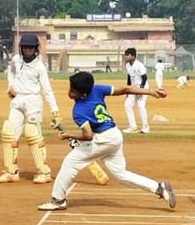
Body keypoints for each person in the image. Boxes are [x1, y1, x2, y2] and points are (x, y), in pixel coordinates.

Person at [37, 71, 176, 211]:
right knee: (120, 175)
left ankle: (58, 200)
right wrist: (151, 92)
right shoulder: (97, 89)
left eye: (73, 90)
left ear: (83, 94)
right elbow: (126, 89)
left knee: (70, 162)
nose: (70, 92)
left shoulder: (78, 110)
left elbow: (88, 136)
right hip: (115, 135)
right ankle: (158, 188)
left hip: (103, 139)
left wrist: (70, 136)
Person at [0, 33, 62, 184]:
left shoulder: (39, 66)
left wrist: (55, 111)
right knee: (9, 134)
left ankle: (43, 172)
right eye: (25, 47)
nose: (28, 50)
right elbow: (10, 73)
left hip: (33, 101)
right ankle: (12, 171)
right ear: (21, 48)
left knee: (33, 135)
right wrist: (10, 87)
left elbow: (47, 89)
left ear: (36, 49)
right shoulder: (16, 60)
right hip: (17, 100)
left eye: (31, 47)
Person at [123, 47, 150, 134]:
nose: (126, 57)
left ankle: (146, 127)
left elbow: (144, 77)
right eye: (125, 55)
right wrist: (128, 90)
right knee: (127, 105)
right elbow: (129, 78)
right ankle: (132, 126)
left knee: (141, 106)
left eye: (128, 55)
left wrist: (141, 90)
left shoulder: (139, 65)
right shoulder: (127, 65)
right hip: (133, 88)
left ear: (133, 56)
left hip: (142, 87)